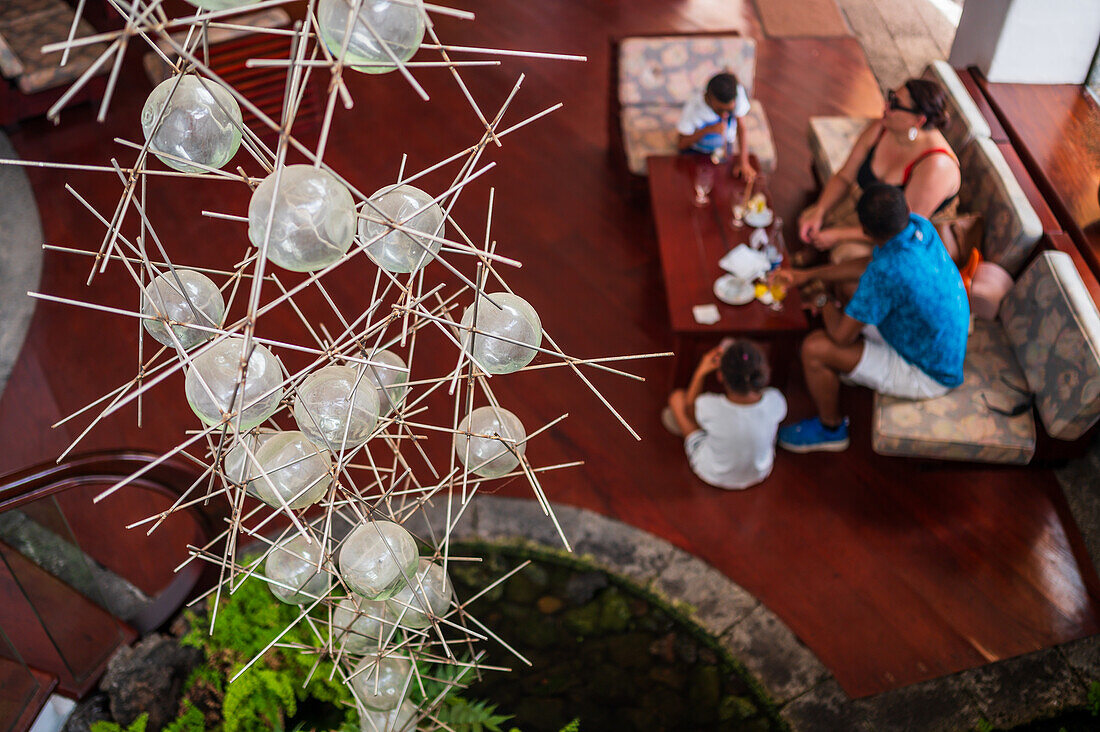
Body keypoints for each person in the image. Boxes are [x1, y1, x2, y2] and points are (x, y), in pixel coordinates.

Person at [776, 184, 969, 453]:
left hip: (928, 371)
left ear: (865, 232)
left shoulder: (888, 272)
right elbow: (870, 265)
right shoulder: (919, 227)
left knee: (814, 348)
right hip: (932, 338)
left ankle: (830, 429)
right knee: (848, 290)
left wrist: (820, 299)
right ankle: (851, 369)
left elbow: (841, 336)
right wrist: (809, 275)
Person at [796, 79, 960, 266]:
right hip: (870, 210)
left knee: (844, 252)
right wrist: (820, 211)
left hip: (901, 237)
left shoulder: (936, 166)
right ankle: (810, 267)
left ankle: (821, 282)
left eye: (895, 105)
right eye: (890, 97)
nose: (886, 106)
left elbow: (900, 228)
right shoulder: (882, 127)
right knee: (810, 216)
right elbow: (844, 176)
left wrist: (838, 235)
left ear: (919, 120)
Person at [664, 339, 787, 489]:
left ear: (720, 376)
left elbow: (689, 410)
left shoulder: (708, 405)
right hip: (759, 472)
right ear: (763, 371)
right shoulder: (776, 400)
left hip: (712, 473)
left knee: (677, 398)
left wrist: (700, 371)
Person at [676, 72, 755, 179]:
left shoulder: (736, 94)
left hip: (724, 150)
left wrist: (744, 162)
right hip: (696, 153)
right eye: (719, 110)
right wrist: (707, 130)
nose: (724, 115)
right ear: (707, 97)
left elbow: (741, 128)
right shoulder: (693, 109)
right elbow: (681, 144)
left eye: (729, 110)